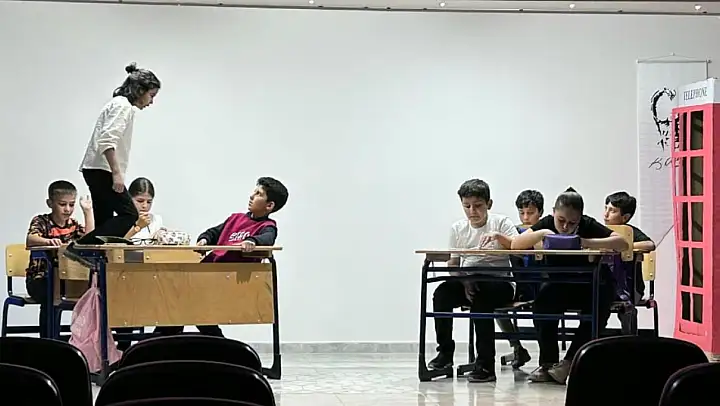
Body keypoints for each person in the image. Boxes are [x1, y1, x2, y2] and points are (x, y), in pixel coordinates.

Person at [511, 187, 628, 384]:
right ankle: (547, 363)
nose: (565, 227)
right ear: (553, 213)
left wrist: (585, 242)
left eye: (572, 222)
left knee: (597, 310)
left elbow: (622, 243)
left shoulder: (587, 224)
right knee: (542, 306)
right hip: (560, 283)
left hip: (592, 283)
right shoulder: (547, 223)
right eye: (561, 220)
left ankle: (570, 362)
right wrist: (543, 233)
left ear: (580, 218)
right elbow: (516, 245)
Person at [153, 177, 288, 337]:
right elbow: (214, 232)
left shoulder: (267, 226)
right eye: (254, 191)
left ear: (269, 205)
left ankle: (161, 339)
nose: (252, 195)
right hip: (207, 274)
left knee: (185, 304)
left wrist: (252, 241)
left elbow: (267, 239)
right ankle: (165, 338)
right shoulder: (235, 219)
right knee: (176, 298)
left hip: (227, 280)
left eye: (259, 194)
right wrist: (205, 239)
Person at [64, 63, 161, 265]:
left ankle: (96, 261)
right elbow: (107, 141)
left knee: (105, 221)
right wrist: (117, 173)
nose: (151, 102)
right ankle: (80, 247)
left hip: (94, 168)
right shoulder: (123, 106)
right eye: (151, 95)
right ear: (140, 90)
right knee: (130, 215)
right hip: (102, 169)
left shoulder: (117, 104)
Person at [427, 179, 518, 383]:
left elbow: (519, 247)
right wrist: (465, 281)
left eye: (477, 206)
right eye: (466, 206)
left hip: (499, 282)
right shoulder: (458, 228)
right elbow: (453, 263)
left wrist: (498, 237)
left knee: (482, 299)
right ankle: (445, 354)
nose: (472, 211)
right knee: (441, 294)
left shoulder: (501, 223)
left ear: (489, 204)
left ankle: (485, 364)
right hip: (468, 280)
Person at [25, 181, 93, 337]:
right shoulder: (41, 221)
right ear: (50, 203)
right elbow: (30, 239)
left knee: (92, 291)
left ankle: (80, 340)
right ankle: (49, 339)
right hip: (39, 280)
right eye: (62, 204)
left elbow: (89, 240)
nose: (67, 209)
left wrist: (88, 212)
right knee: (50, 295)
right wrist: (48, 241)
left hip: (65, 280)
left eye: (71, 205)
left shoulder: (73, 225)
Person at [496, 189, 546, 369]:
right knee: (497, 307)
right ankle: (517, 347)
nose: (525, 217)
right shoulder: (514, 232)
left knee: (541, 311)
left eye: (530, 213)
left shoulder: (545, 231)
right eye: (521, 212)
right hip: (519, 285)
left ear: (540, 212)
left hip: (541, 284)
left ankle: (546, 356)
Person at [604, 191, 656, 333]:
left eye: (612, 211)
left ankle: (630, 339)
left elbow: (650, 244)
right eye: (606, 208)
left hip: (632, 287)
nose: (606, 214)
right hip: (605, 286)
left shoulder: (629, 232)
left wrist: (624, 246)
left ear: (625, 217)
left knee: (627, 308)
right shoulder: (601, 230)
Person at [124, 177, 164, 243]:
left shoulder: (156, 220)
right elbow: (116, 246)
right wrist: (138, 226)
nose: (145, 206)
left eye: (149, 202)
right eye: (140, 201)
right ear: (129, 199)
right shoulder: (120, 220)